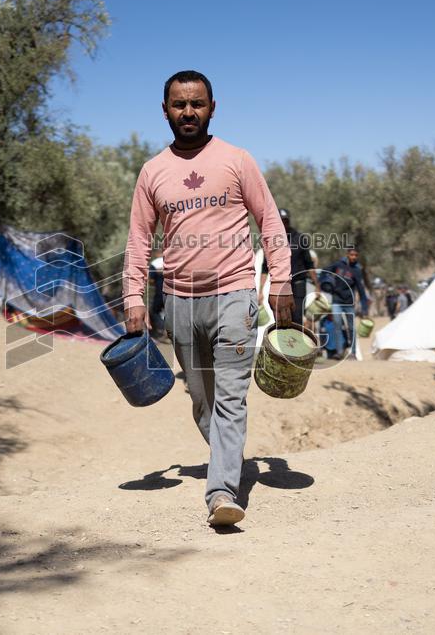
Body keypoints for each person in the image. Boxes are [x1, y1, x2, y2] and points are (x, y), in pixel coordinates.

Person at [122, 70, 292, 527]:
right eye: (179, 105)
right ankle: (228, 460)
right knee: (201, 399)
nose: (188, 112)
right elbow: (139, 240)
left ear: (212, 107)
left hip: (235, 294)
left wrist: (281, 281)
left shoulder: (237, 160)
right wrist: (133, 294)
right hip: (178, 301)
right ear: (165, 111)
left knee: (231, 398)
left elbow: (269, 222)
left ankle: (221, 492)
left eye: (197, 104)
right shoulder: (153, 172)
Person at [257, 208, 319, 326]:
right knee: (281, 319)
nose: (284, 224)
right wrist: (260, 291)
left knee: (297, 318)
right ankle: (284, 344)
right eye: (281, 221)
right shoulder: (272, 240)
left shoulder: (300, 238)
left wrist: (317, 286)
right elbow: (265, 268)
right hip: (280, 286)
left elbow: (309, 264)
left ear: (289, 221)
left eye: (286, 221)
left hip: (298, 285)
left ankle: (298, 343)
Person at [321, 247, 370, 360]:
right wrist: (326, 282)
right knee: (337, 325)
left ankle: (352, 353)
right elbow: (325, 270)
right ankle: (339, 352)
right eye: (352, 255)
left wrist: (365, 307)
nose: (354, 257)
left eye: (356, 255)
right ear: (347, 254)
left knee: (351, 328)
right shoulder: (338, 265)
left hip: (349, 303)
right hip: (336, 301)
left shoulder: (357, 270)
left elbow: (361, 289)